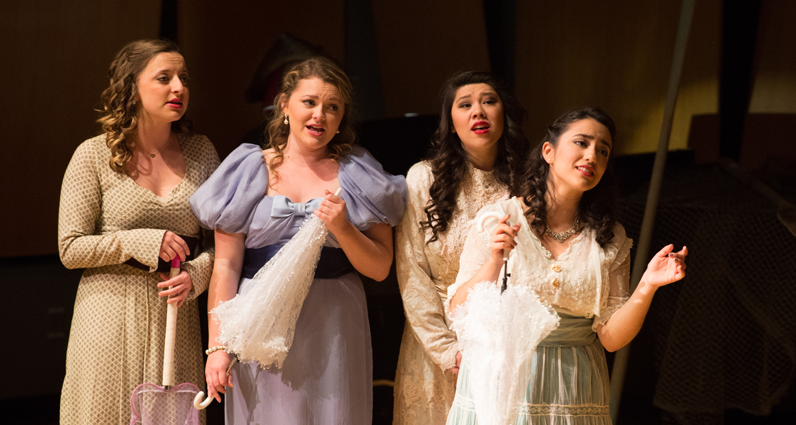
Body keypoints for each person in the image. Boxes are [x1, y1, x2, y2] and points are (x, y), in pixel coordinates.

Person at [190, 57, 407, 424]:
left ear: (341, 119)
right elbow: (226, 266)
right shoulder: (248, 170)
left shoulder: (361, 176)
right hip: (260, 321)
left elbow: (380, 268)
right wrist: (218, 347)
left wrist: (344, 229)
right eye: (310, 102)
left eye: (332, 107)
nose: (319, 115)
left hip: (334, 324)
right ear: (285, 105)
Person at [446, 107, 688, 424]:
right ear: (549, 151)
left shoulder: (609, 236)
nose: (592, 156)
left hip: (575, 384)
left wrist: (648, 285)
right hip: (503, 378)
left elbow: (611, 338)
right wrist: (494, 261)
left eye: (603, 150)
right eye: (582, 143)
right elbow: (457, 310)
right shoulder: (500, 218)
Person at [58, 39, 218, 424]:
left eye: (183, 78)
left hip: (176, 319)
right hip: (109, 314)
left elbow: (222, 243)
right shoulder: (93, 155)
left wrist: (198, 274)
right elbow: (70, 248)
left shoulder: (202, 153)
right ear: (131, 87)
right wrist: (140, 240)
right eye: (164, 78)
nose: (178, 87)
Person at [394, 70, 530, 424]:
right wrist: (447, 351)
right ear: (451, 123)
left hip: (503, 341)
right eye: (465, 105)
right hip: (435, 342)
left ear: (505, 114)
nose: (478, 112)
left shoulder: (528, 183)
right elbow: (412, 272)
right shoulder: (423, 178)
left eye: (488, 101)